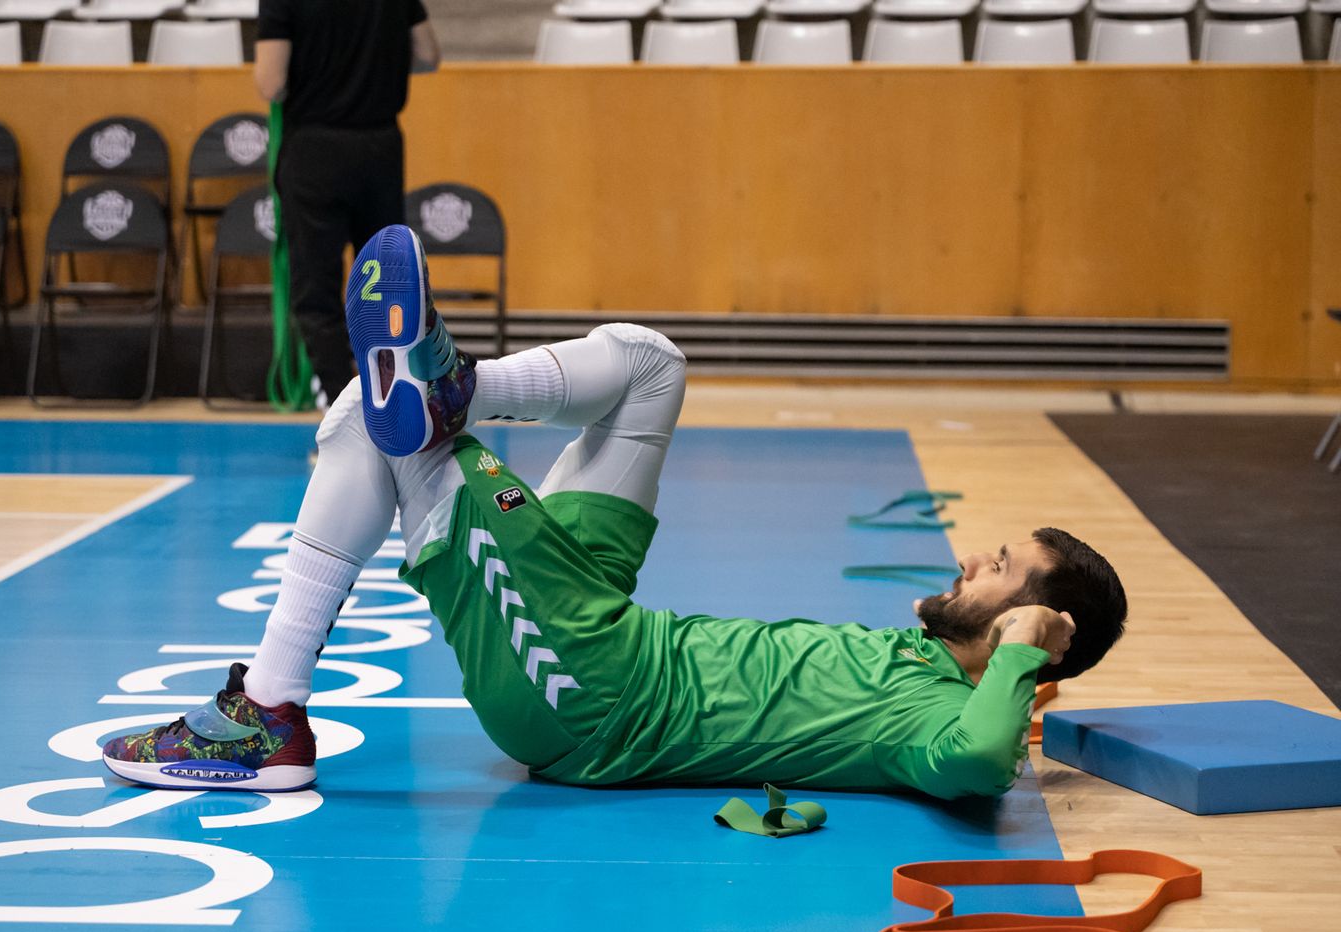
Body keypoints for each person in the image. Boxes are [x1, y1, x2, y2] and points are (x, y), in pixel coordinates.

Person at [103, 225, 1129, 801]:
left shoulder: (940, 716)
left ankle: (267, 714)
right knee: (650, 365)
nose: (970, 562)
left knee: (379, 428)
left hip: (585, 694)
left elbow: (978, 767)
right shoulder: (920, 670)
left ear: (1025, 628)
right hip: (610, 620)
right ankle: (459, 387)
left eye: (998, 567)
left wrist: (1020, 664)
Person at [253, 0, 440, 405]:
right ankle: (399, 410)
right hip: (380, 148)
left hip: (315, 149)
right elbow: (427, 56)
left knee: (317, 292)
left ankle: (344, 413)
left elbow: (271, 83)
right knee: (388, 286)